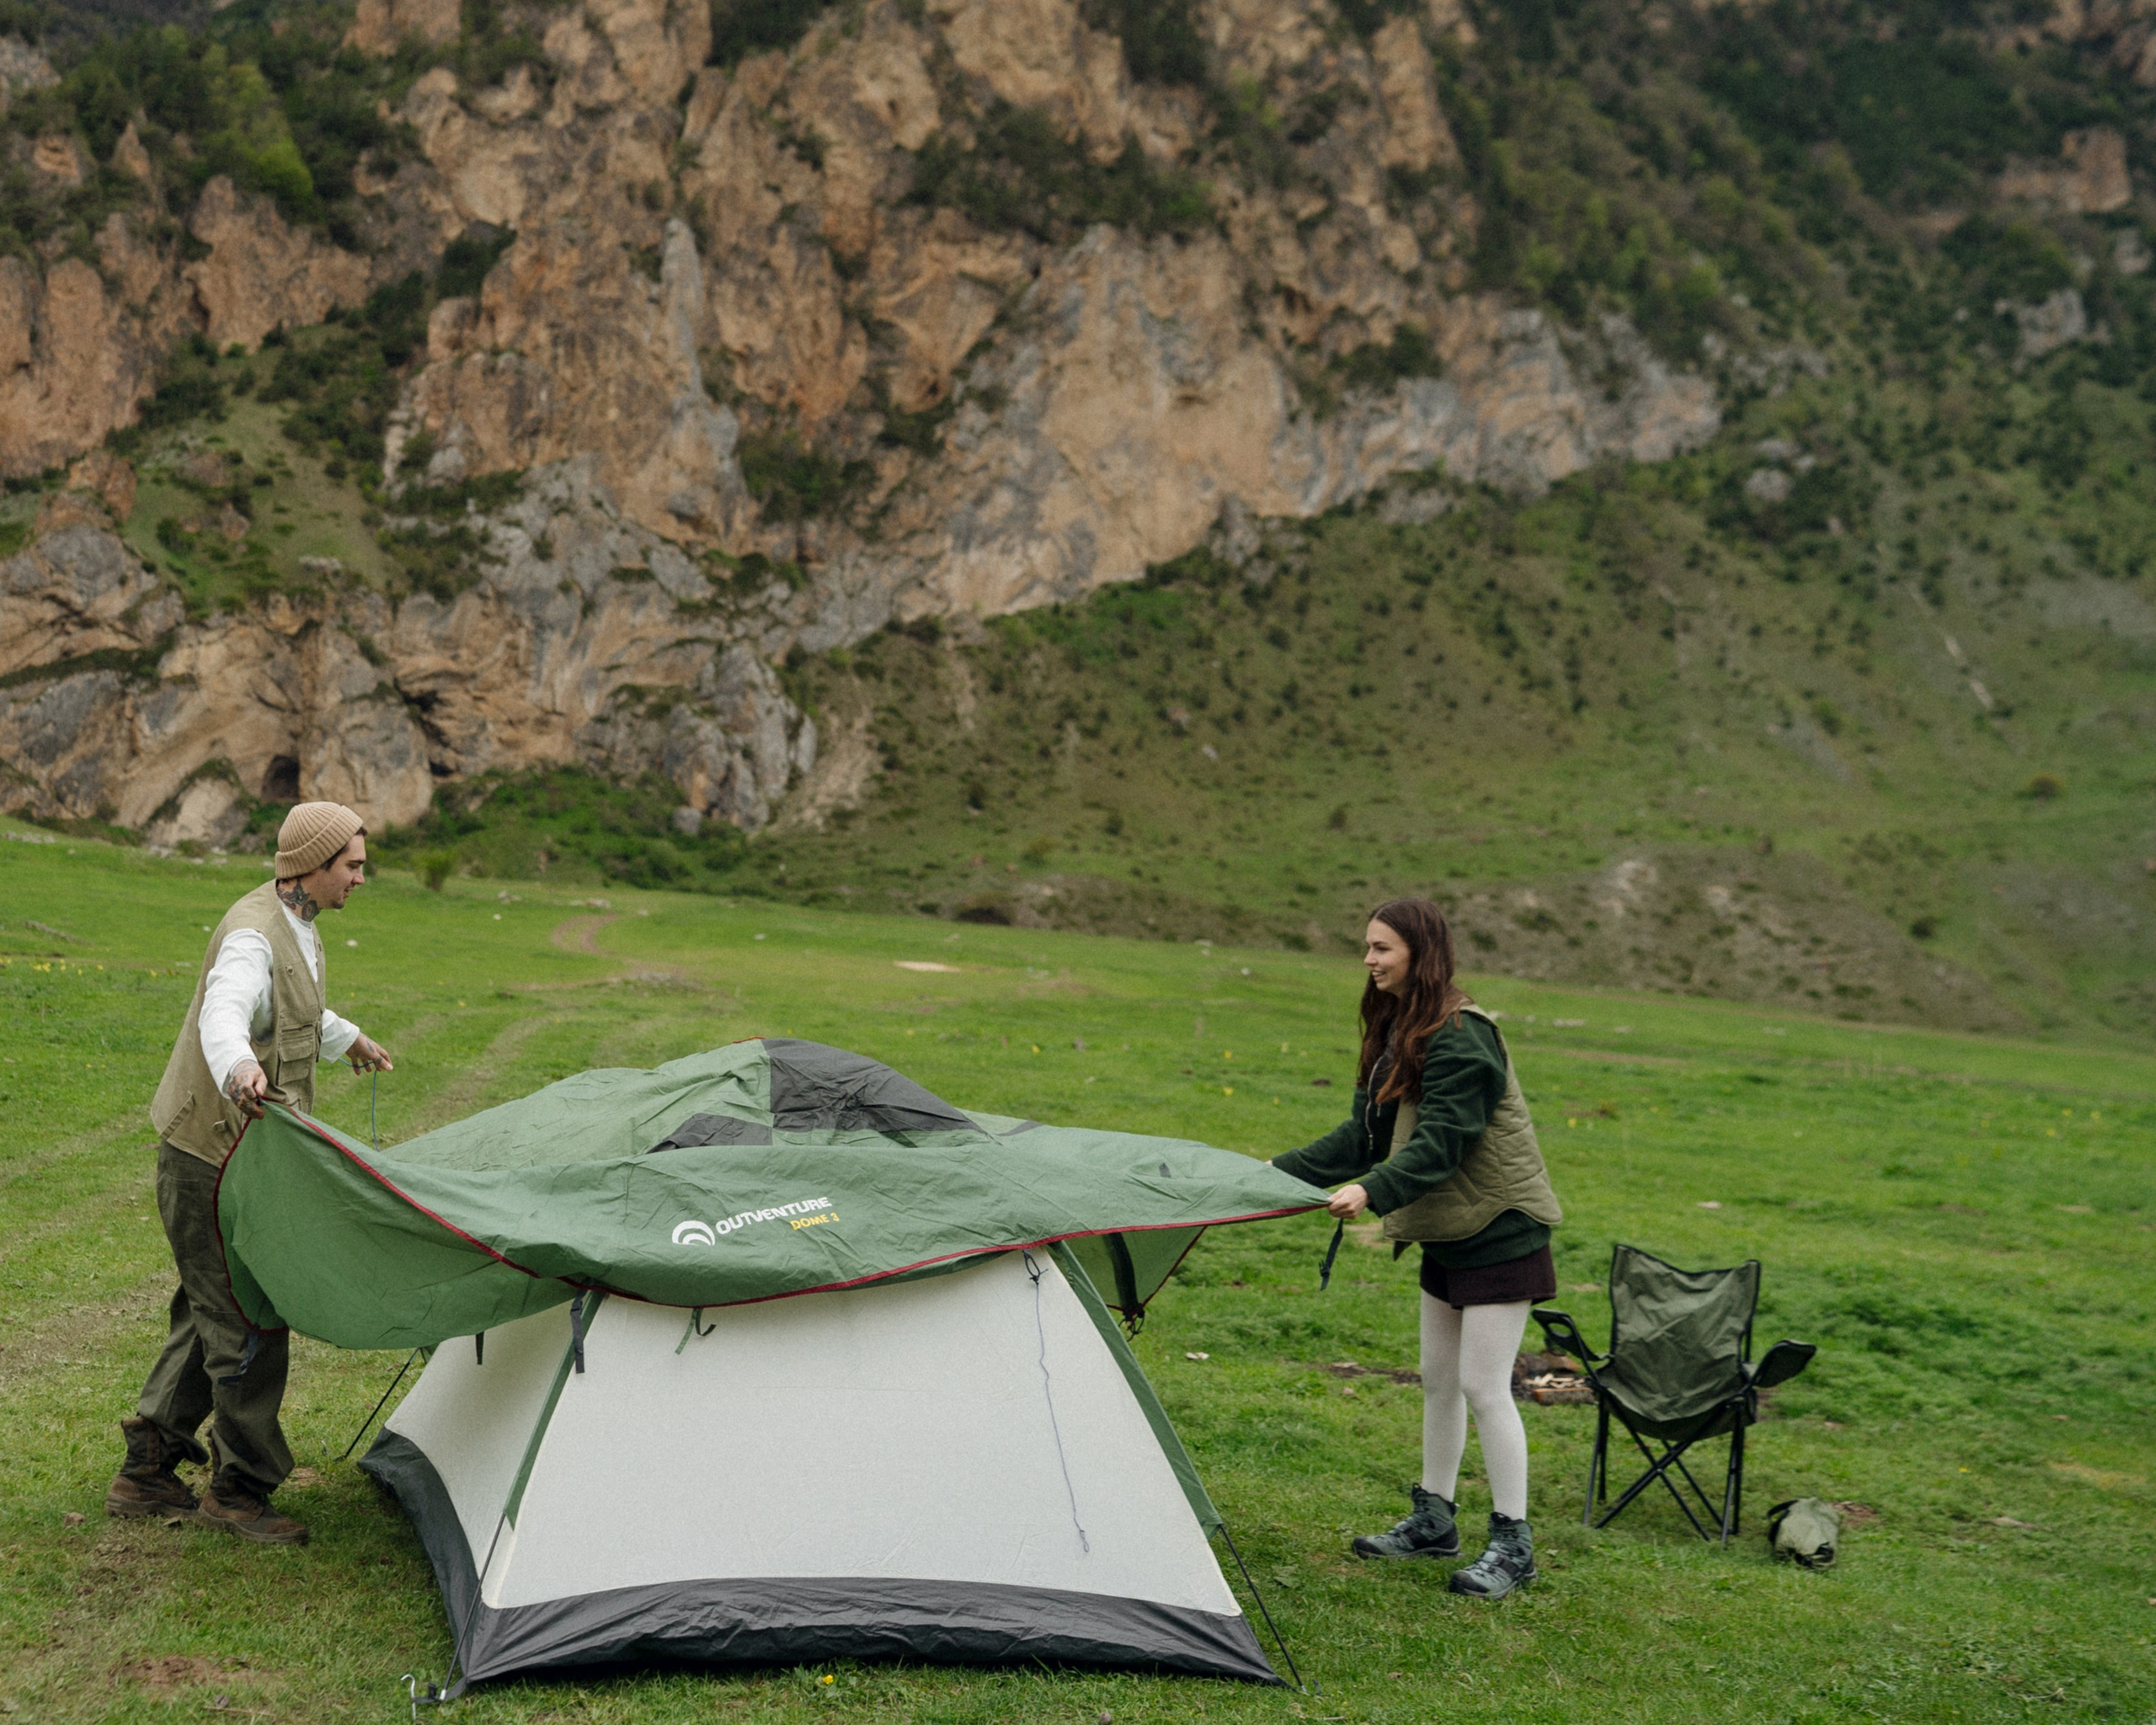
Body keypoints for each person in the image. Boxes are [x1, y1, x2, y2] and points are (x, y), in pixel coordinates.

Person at [105, 802, 393, 1545]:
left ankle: (148, 1470)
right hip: (209, 1157)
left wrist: (346, 1035)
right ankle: (237, 1492)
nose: (362, 877)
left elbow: (291, 1010)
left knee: (213, 1305)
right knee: (249, 1315)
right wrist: (236, 1066)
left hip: (240, 1159)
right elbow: (227, 1010)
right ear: (312, 865)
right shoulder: (250, 934)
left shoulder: (294, 925)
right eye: (352, 865)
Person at [1272, 897, 1562, 1599]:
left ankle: (1513, 1544)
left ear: (1419, 953)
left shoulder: (1463, 1035)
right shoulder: (1399, 1027)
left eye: (1382, 949)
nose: (1369, 961)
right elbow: (1361, 1138)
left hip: (1500, 1229)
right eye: (1366, 948)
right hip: (1449, 1230)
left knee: (1484, 1388)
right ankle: (1434, 1520)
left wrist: (1371, 1192)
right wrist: (1263, 1177)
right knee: (1438, 1379)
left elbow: (1443, 1144)